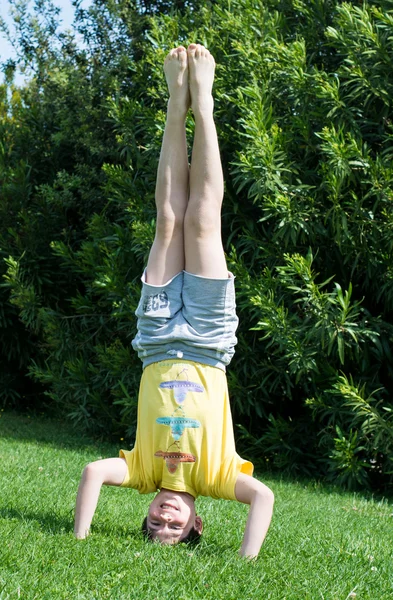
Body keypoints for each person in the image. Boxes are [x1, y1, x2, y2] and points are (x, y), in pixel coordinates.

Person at [74, 44, 274, 558]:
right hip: (209, 343)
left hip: (158, 340)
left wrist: (80, 538)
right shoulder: (217, 478)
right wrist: (247, 563)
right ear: (195, 522)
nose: (164, 517)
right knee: (202, 222)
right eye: (175, 526)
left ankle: (174, 102)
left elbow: (95, 472)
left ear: (145, 511)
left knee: (168, 221)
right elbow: (264, 498)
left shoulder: (141, 471)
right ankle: (201, 103)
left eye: (154, 524)